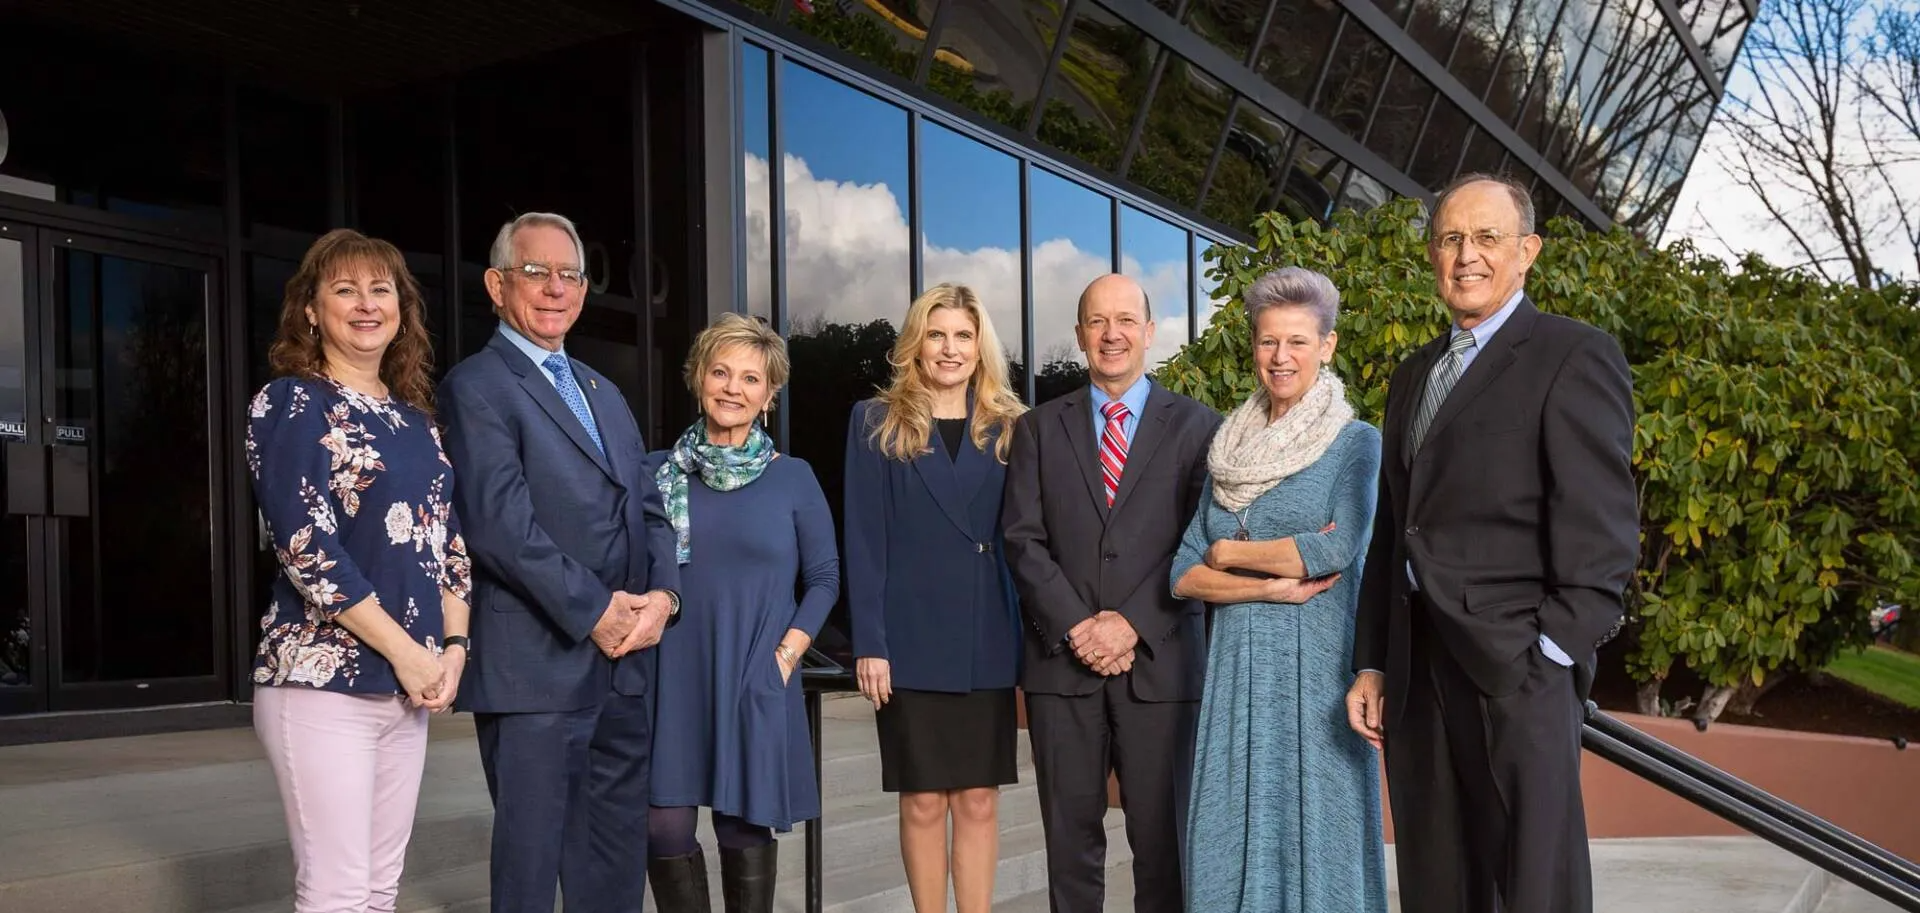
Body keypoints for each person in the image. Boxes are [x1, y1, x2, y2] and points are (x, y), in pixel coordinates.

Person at [1346, 173, 1639, 913]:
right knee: (1437, 882)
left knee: (1531, 887)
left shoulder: (1573, 355)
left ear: (1527, 251)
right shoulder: (1413, 375)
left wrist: (1550, 654)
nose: (1466, 255)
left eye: (1486, 237)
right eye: (1450, 239)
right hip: (1417, 673)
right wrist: (1373, 659)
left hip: (1516, 669)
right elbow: (1394, 528)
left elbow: (1602, 531)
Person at [438, 212, 682, 913]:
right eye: (536, 271)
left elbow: (652, 509)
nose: (555, 288)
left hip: (624, 668)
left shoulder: (605, 391)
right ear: (497, 286)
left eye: (569, 274)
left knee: (613, 865)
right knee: (530, 868)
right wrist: (596, 610)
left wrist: (664, 598)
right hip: (536, 671)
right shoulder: (476, 386)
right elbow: (499, 527)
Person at [247, 228, 472, 913]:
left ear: (402, 308)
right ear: (311, 310)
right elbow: (306, 547)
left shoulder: (416, 422)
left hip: (408, 686)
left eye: (381, 290)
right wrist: (409, 653)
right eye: (345, 290)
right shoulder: (292, 402)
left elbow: (447, 544)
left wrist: (453, 648)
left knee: (378, 891)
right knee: (337, 892)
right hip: (323, 682)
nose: (367, 304)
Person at [1001, 273, 1221, 913]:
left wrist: (1130, 624)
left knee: (1164, 847)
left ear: (1149, 332)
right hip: (1062, 671)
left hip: (1162, 666)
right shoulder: (1038, 429)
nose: (1111, 334)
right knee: (1069, 849)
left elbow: (1202, 540)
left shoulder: (1200, 427)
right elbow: (1021, 539)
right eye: (1098, 321)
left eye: (1125, 320)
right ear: (1079, 335)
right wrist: (1078, 626)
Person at [1171, 267, 1387, 913]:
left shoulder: (1355, 443)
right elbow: (1182, 573)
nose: (1281, 356)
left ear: (1327, 345)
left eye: (1297, 340)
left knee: (1321, 827)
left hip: (1319, 670)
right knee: (1229, 822)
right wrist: (1267, 588)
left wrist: (1229, 554)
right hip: (1236, 667)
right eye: (1268, 340)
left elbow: (1335, 548)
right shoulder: (1229, 451)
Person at [645, 313, 840, 913]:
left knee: (741, 827)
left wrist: (785, 657)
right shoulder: (657, 472)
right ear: (698, 378)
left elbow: (825, 579)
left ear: (769, 395)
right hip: (671, 672)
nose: (733, 388)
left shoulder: (793, 478)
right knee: (663, 829)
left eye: (750, 379)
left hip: (756, 668)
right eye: (721, 372)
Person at [843, 284, 1028, 913]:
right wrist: (870, 642)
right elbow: (864, 539)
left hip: (987, 634)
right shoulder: (875, 421)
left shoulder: (1012, 427)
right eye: (937, 334)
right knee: (922, 800)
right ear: (916, 344)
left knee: (978, 798)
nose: (950, 349)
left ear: (981, 348)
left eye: (963, 336)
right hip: (909, 637)